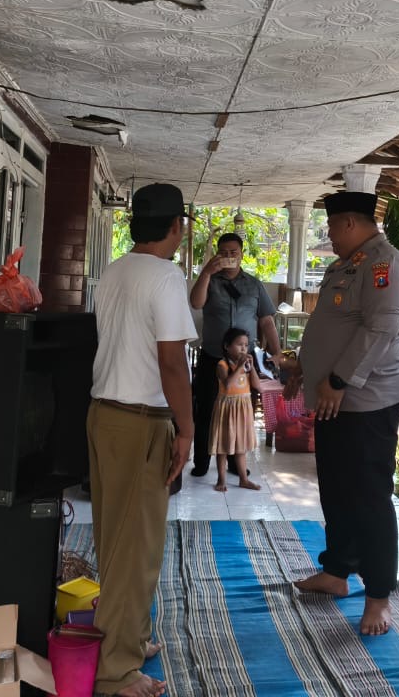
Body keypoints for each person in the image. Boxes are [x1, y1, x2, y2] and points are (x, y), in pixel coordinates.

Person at [279, 191, 399, 637]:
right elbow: (330, 327)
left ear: (351, 223)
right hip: (335, 400)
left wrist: (337, 380)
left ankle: (378, 596)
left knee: (369, 498)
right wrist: (305, 368)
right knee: (336, 490)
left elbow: (381, 330)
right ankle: (337, 571)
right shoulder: (346, 265)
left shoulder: (384, 266)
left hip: (367, 401)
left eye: (333, 226)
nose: (329, 235)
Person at [86, 183, 196, 697]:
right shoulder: (166, 276)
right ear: (176, 227)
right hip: (140, 420)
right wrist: (187, 429)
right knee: (137, 547)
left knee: (116, 538)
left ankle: (129, 637)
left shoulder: (115, 270)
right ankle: (115, 671)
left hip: (104, 413)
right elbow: (171, 363)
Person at [189, 232, 282, 477]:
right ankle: (201, 463)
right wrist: (206, 273)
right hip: (213, 357)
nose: (229, 256)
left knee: (240, 411)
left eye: (234, 252)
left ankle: (234, 463)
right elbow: (196, 303)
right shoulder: (210, 280)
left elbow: (266, 321)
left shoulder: (254, 284)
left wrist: (277, 352)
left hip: (244, 360)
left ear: (241, 255)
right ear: (217, 254)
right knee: (206, 410)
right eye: (224, 253)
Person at [211, 326, 262, 493]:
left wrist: (251, 368)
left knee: (240, 446)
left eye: (246, 345)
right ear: (227, 346)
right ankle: (221, 479)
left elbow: (257, 386)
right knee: (223, 446)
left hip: (242, 408)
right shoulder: (222, 365)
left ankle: (243, 479)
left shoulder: (246, 366)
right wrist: (239, 367)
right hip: (227, 409)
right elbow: (227, 384)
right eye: (239, 344)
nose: (243, 349)